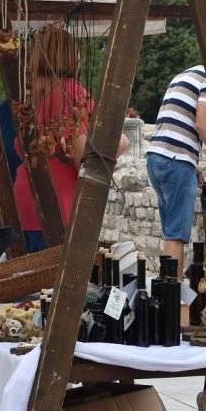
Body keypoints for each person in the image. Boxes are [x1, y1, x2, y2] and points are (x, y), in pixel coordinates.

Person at [12, 26, 128, 253]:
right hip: (57, 207)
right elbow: (85, 154)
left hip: (30, 205)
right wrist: (122, 144)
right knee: (55, 285)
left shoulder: (39, 93)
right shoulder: (70, 92)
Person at [146, 50, 206, 266]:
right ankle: (173, 297)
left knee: (170, 232)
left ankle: (167, 291)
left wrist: (193, 164)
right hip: (175, 160)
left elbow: (178, 120)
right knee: (176, 235)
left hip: (158, 157)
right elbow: (203, 123)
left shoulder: (187, 74)